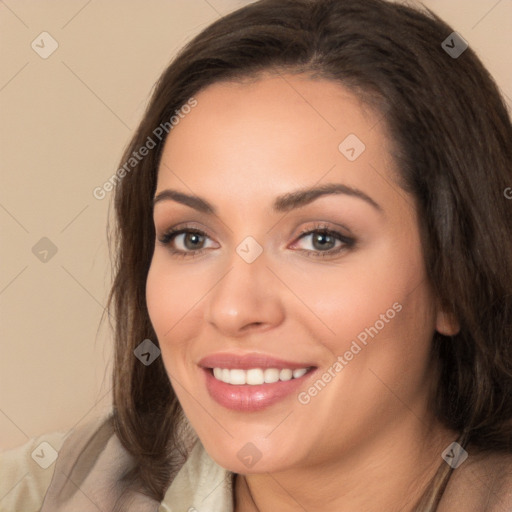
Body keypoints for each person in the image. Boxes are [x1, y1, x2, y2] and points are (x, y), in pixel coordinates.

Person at [1, 0, 511, 510]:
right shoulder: (39, 493)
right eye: (192, 238)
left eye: (320, 239)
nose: (233, 308)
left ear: (454, 279)